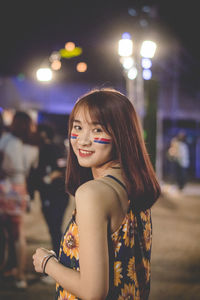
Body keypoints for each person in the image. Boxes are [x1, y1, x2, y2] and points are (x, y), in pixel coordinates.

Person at [33, 88, 161, 299]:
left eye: (97, 130)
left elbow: (93, 292)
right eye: (78, 127)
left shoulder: (92, 194)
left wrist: (47, 263)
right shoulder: (132, 185)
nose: (83, 140)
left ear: (121, 135)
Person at [0, 111, 38, 289]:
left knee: (6, 233)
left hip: (4, 187)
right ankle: (20, 274)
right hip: (20, 187)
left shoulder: (7, 140)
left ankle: (10, 268)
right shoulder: (33, 145)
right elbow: (32, 170)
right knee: (18, 234)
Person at [36, 123, 69, 257]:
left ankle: (60, 261)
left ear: (43, 133)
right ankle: (59, 259)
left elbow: (61, 168)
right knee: (54, 229)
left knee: (55, 228)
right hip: (51, 195)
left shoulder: (53, 148)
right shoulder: (43, 148)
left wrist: (47, 179)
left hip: (56, 195)